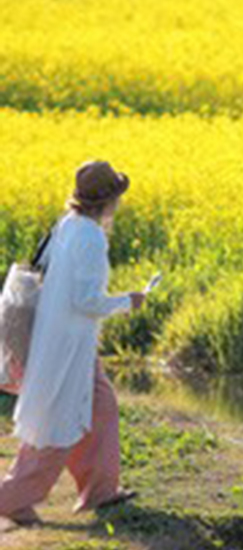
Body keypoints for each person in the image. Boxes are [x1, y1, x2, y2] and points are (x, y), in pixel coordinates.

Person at [0, 160, 147, 526]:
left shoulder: (67, 225)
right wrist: (128, 301)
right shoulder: (91, 237)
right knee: (56, 424)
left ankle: (100, 491)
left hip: (63, 338)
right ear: (108, 200)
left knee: (100, 405)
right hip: (67, 345)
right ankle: (11, 499)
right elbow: (85, 300)